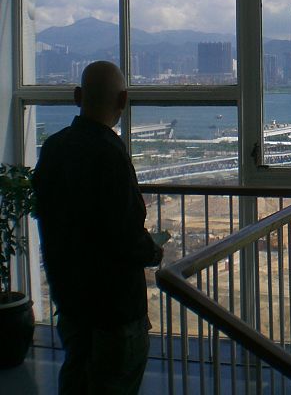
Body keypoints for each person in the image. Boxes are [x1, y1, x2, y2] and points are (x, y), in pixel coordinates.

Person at [33, 61, 163, 395]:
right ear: (123, 100)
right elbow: (125, 235)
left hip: (73, 305)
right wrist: (153, 251)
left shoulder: (53, 149)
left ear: (77, 96)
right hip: (115, 311)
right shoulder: (111, 155)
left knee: (75, 380)